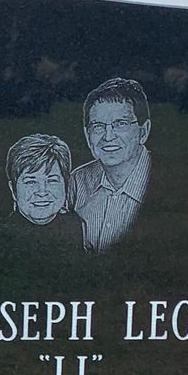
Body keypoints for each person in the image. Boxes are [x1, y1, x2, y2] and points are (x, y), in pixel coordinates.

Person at [71, 78, 152, 252]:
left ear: (143, 132)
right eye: (98, 126)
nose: (108, 136)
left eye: (120, 124)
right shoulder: (77, 181)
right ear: (87, 135)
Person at [4, 132, 84, 247]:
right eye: (31, 182)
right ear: (13, 190)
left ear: (66, 185)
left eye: (52, 180)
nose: (42, 192)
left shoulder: (75, 226)